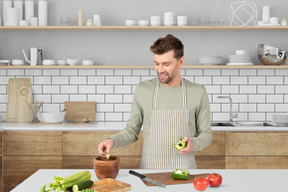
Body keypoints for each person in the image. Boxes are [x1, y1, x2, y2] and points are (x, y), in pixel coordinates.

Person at [98, 34, 212, 169]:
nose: (160, 70)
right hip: (150, 170)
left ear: (180, 61)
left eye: (166, 64)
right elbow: (131, 131)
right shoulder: (143, 90)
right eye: (156, 63)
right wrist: (111, 141)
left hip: (185, 170)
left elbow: (206, 134)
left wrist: (194, 143)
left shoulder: (198, 92)